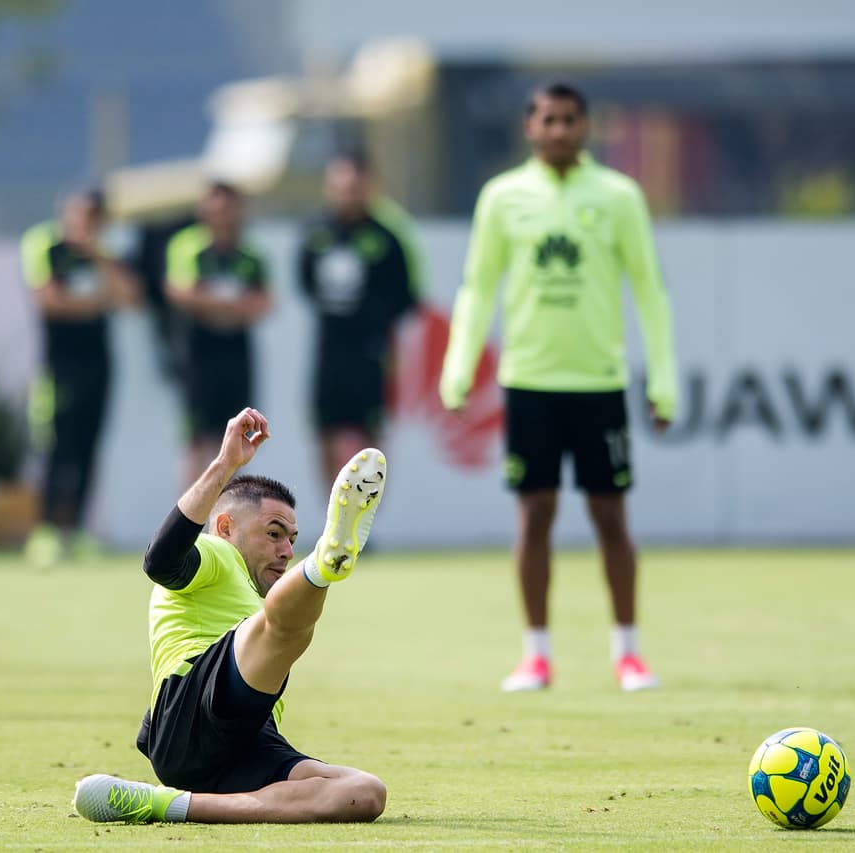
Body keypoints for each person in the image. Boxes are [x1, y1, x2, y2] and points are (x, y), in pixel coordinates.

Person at [439, 82, 679, 692]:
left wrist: (664, 380)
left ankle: (628, 653)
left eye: (570, 120)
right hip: (530, 384)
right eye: (549, 120)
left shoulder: (619, 196)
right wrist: (459, 368)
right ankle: (535, 655)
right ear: (530, 127)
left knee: (609, 516)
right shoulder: (502, 198)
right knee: (535, 514)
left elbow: (649, 290)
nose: (560, 131)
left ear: (586, 127)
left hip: (598, 383)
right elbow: (477, 287)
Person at [73, 407, 388, 823]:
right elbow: (160, 561)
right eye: (273, 533)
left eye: (293, 540)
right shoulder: (217, 554)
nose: (284, 551)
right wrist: (224, 465)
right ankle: (323, 567)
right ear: (225, 527)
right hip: (192, 712)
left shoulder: (252, 590)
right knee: (285, 630)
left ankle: (166, 804)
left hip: (245, 740)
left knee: (365, 794)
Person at [21, 188, 140, 568]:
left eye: (93, 217)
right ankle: (46, 530)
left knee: (90, 447)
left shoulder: (105, 255)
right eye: (80, 214)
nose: (85, 223)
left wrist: (98, 257)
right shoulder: (47, 247)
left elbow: (130, 297)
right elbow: (49, 300)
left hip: (99, 364)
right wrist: (96, 302)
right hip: (60, 366)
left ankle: (78, 530)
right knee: (58, 447)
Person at [298, 153, 426, 487]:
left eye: (355, 186)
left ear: (369, 187)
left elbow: (408, 297)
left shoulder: (389, 236)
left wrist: (379, 328)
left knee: (371, 440)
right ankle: (333, 525)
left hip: (372, 353)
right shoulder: (316, 233)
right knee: (325, 433)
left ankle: (361, 522)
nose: (348, 193)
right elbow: (306, 284)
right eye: (341, 186)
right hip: (329, 351)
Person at [165, 182, 271, 487]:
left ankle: (222, 518)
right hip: (200, 351)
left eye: (227, 209)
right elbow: (179, 293)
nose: (221, 216)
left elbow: (264, 302)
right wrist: (228, 304)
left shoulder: (249, 253)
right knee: (197, 439)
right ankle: (187, 521)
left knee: (238, 437)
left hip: (237, 351)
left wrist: (213, 302)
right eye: (215, 208)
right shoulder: (188, 247)